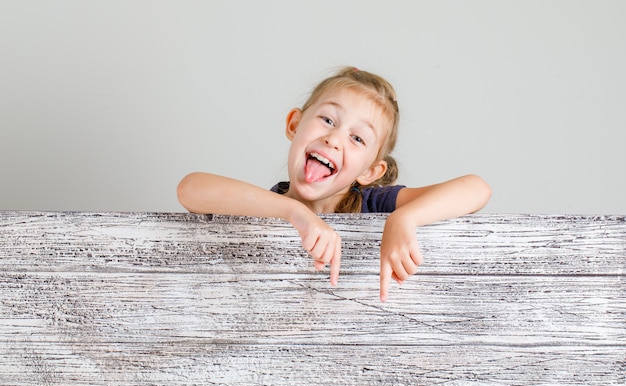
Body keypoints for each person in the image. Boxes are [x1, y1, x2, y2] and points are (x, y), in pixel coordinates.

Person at [177, 67, 491, 301]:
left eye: (357, 138)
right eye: (328, 120)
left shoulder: (374, 203)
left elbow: (477, 188)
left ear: (370, 170)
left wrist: (404, 218)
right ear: (294, 124)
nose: (334, 139)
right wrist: (295, 214)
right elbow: (189, 189)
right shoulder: (270, 207)